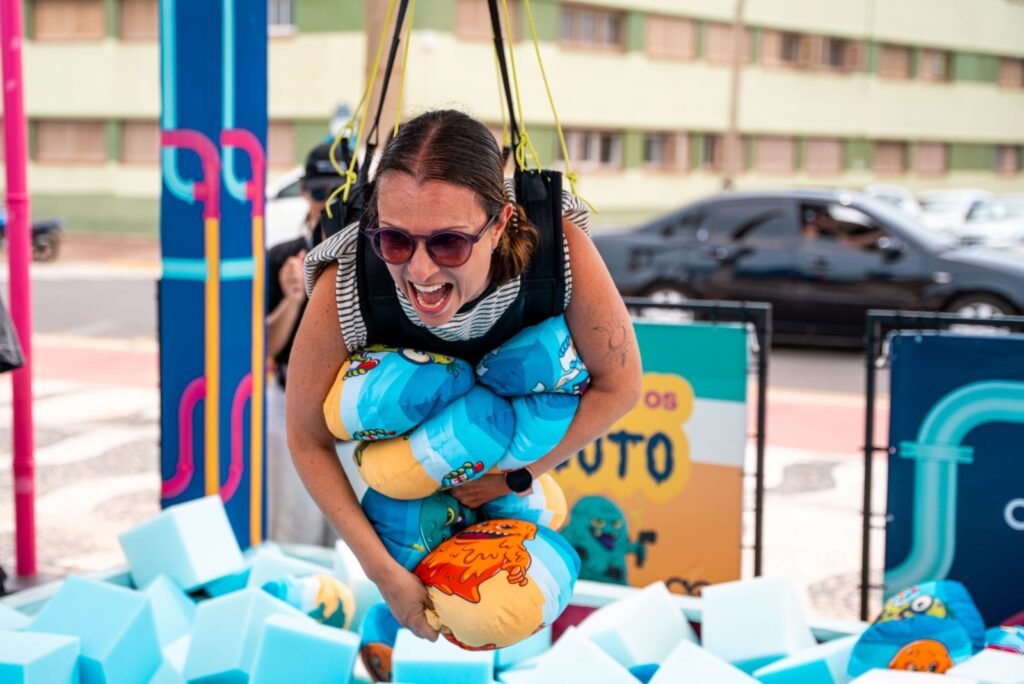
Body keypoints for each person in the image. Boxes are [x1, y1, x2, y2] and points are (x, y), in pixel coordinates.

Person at [286, 110, 642, 641]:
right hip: (407, 479)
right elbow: (306, 437)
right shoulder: (352, 278)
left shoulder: (558, 251)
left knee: (488, 613)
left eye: (449, 243)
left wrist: (520, 476)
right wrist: (383, 574)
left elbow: (621, 385)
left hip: (507, 465)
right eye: (395, 240)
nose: (420, 271)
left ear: (499, 224)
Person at [265, 142, 345, 545]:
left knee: (351, 535)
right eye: (318, 192)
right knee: (293, 527)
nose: (327, 204)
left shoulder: (377, 257)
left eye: (338, 193)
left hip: (354, 409)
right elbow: (265, 347)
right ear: (303, 193)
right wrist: (293, 298)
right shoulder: (283, 256)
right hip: (291, 402)